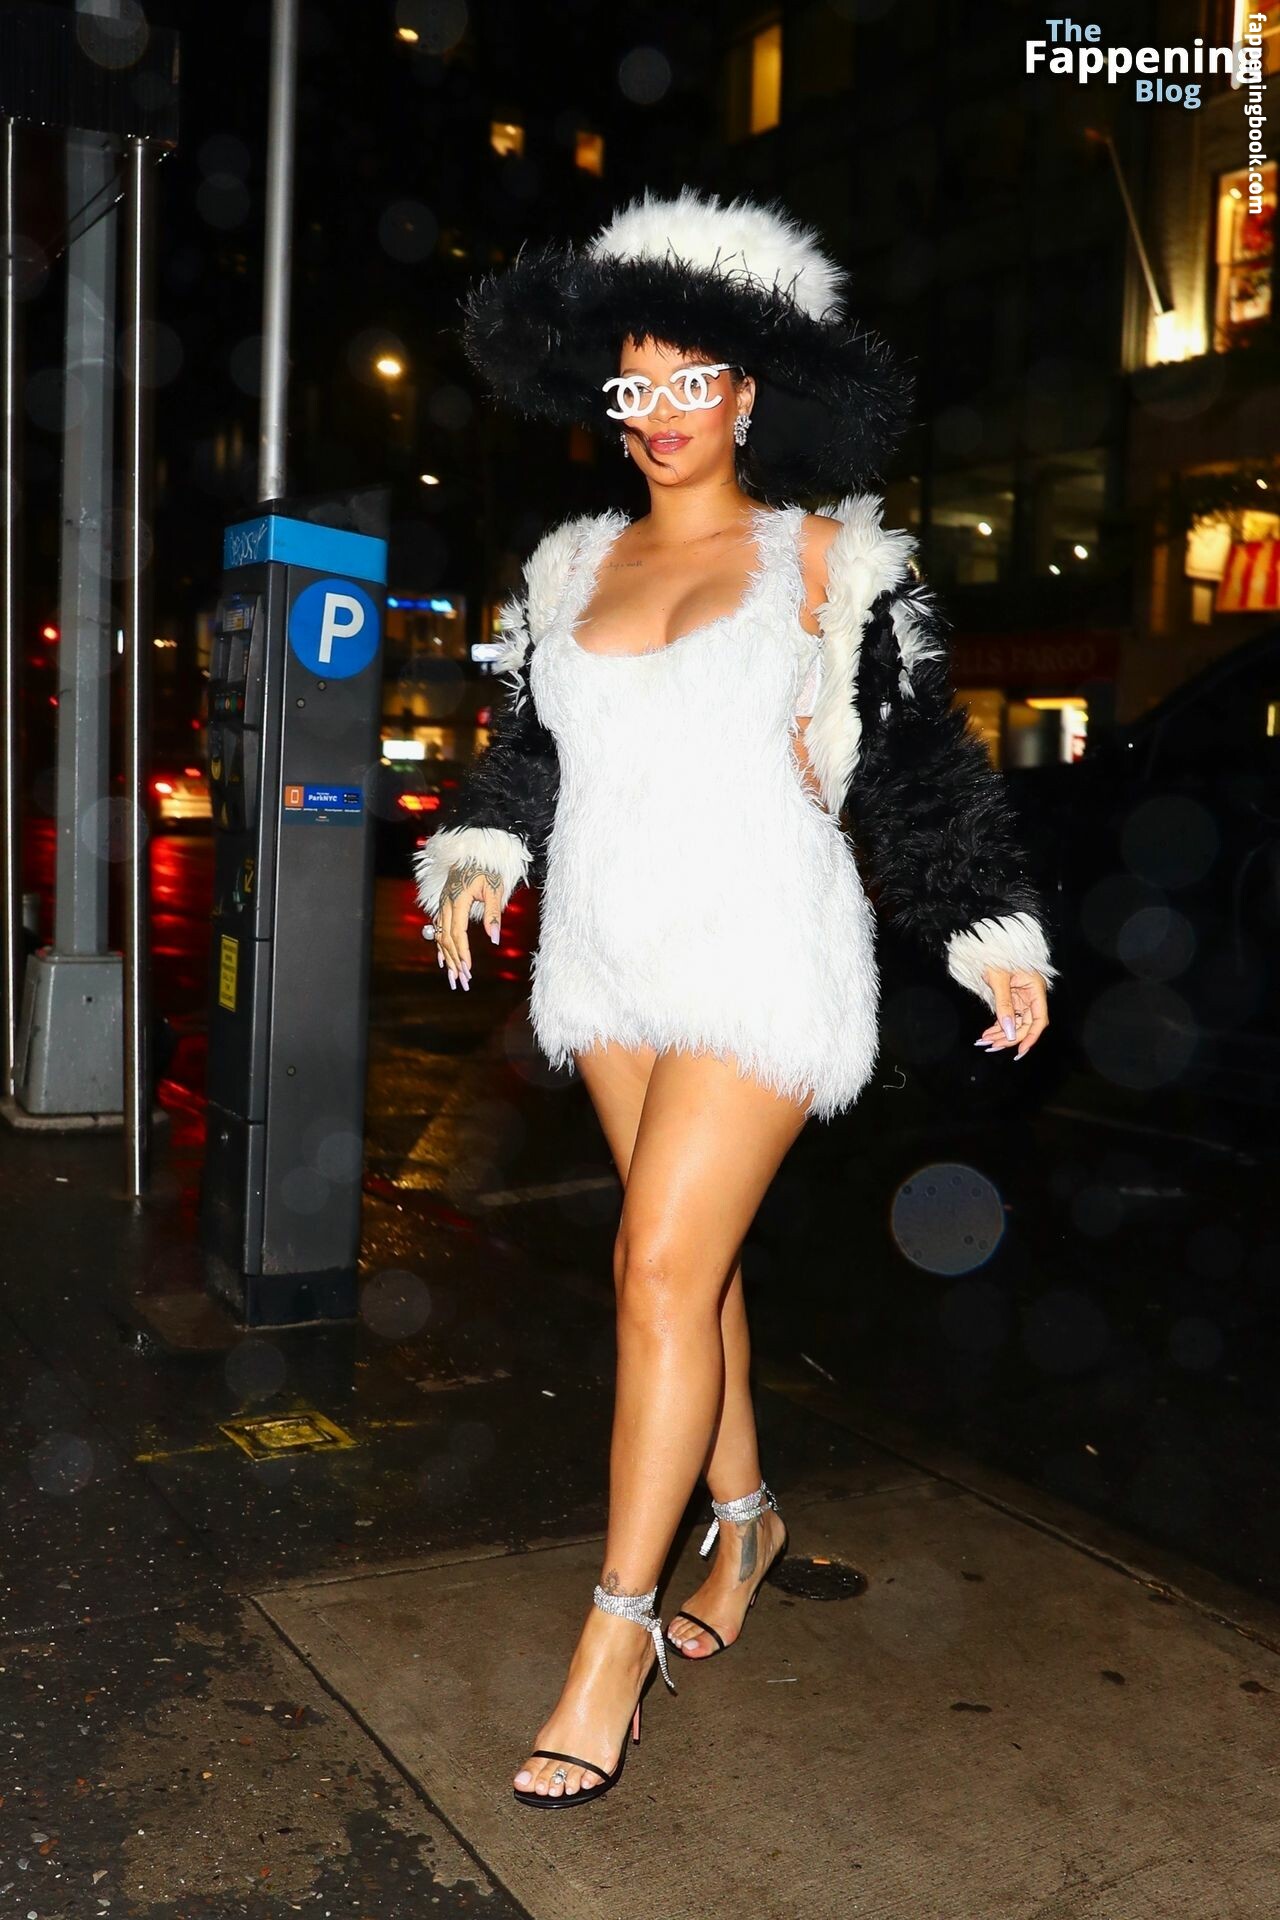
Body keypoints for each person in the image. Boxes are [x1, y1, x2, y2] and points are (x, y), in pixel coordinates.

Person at [415, 189, 1054, 1808]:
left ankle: (612, 1636)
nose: (659, 411)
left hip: (763, 949)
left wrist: (987, 928)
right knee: (681, 1270)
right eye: (633, 385)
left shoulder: (827, 560)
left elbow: (916, 766)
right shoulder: (571, 565)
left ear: (752, 388)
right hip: (609, 954)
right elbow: (530, 747)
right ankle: (748, 1520)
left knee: (653, 1268)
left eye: (690, 378)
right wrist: (483, 852)